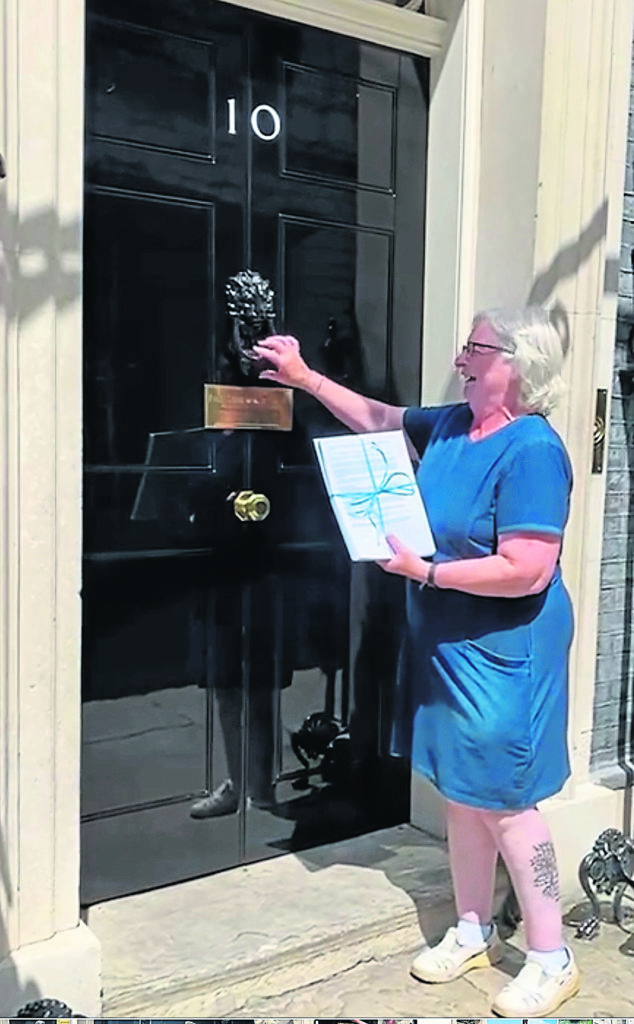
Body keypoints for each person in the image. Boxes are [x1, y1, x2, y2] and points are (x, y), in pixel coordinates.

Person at [252, 306, 579, 1018]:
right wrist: (305, 377)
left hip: (505, 650)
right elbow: (379, 418)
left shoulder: (532, 452)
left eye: (475, 348)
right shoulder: (457, 425)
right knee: (462, 793)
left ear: (515, 365)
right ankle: (472, 927)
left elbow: (526, 570)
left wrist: (426, 573)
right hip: (445, 638)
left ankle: (553, 957)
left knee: (509, 803)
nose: (461, 358)